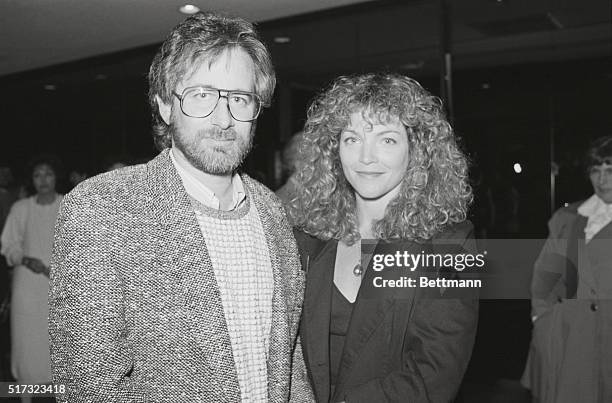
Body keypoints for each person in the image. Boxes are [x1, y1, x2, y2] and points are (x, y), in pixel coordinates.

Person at [49, 11, 312, 402]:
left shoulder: (271, 210)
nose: (224, 118)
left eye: (240, 98)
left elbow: (290, 367)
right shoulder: (100, 210)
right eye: (202, 95)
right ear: (166, 106)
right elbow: (89, 388)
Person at [287, 73, 479, 402]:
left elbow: (433, 374)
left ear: (417, 150)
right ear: (334, 150)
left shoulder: (453, 244)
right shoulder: (306, 237)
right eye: (352, 139)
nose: (366, 157)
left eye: (387, 140)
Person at [522, 136, 612, 403]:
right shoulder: (568, 218)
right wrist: (542, 320)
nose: (602, 179)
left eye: (610, 170)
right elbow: (545, 276)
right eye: (596, 170)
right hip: (568, 336)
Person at [1, 155, 63, 399]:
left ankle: (60, 394)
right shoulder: (20, 208)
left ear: (56, 176)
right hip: (27, 286)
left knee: (58, 341)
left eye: (48, 173)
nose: (43, 179)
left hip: (59, 286)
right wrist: (26, 260)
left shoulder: (67, 204)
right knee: (27, 343)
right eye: (38, 175)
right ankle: (26, 395)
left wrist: (55, 270)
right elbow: (9, 245)